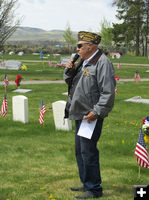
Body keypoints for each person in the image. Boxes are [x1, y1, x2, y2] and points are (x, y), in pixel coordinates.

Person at [64, 31, 116, 199]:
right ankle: (86, 183)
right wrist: (69, 70)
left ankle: (94, 189)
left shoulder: (102, 63)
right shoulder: (84, 61)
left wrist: (97, 111)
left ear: (90, 46)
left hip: (90, 115)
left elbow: (108, 92)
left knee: (88, 152)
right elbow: (72, 83)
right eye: (77, 46)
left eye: (79, 46)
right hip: (80, 113)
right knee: (80, 152)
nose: (77, 49)